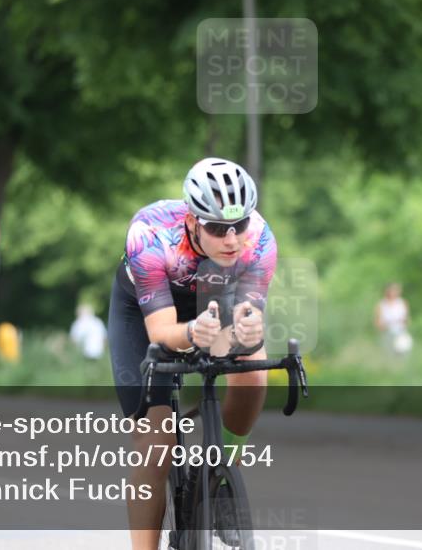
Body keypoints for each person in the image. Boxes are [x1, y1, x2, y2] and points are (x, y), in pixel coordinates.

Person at [108, 157, 277, 550]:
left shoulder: (261, 239)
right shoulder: (149, 234)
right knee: (156, 446)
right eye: (218, 229)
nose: (232, 239)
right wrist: (192, 332)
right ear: (192, 222)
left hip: (213, 300)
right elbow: (162, 332)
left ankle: (223, 474)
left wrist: (248, 329)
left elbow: (247, 314)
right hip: (147, 313)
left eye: (238, 225)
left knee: (253, 368)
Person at [374, 282, 412, 354]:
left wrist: (404, 321)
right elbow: (377, 322)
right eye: (391, 290)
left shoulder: (402, 303)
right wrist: (384, 325)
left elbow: (407, 319)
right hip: (387, 333)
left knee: (402, 351)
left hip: (401, 332)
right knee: (387, 353)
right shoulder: (381, 304)